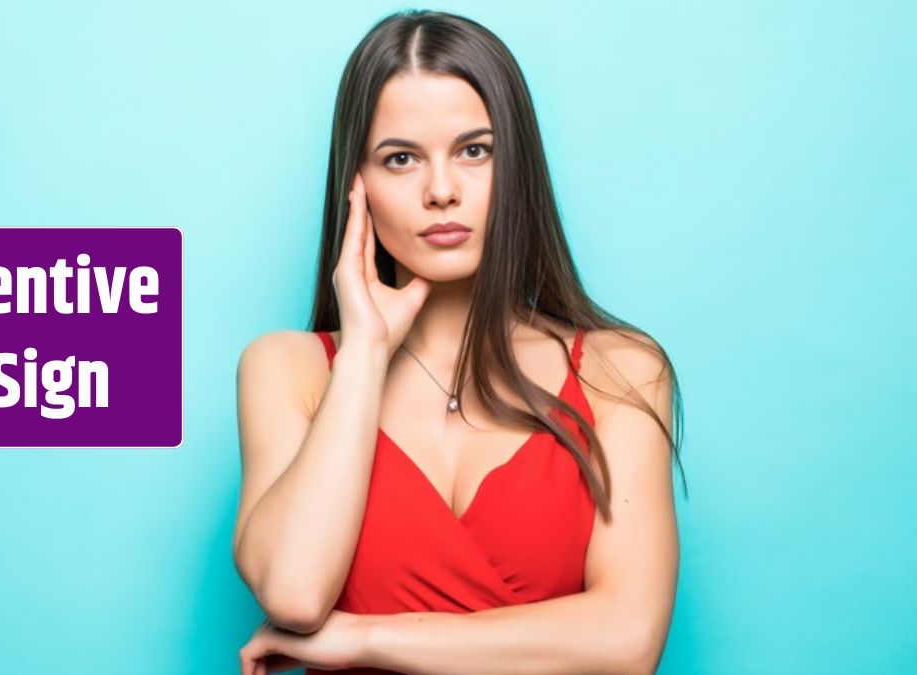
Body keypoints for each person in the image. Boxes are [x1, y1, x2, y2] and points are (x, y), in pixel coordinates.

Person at [233, 10, 685, 674]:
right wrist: (365, 351)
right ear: (356, 185)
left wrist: (366, 638)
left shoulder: (619, 371)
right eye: (400, 158)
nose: (441, 191)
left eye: (475, 150)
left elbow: (627, 638)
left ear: (518, 168)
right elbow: (295, 593)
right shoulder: (289, 369)